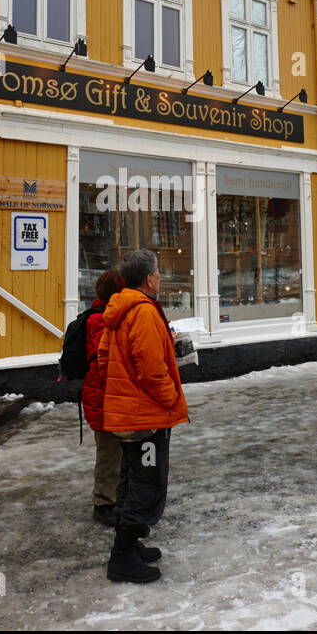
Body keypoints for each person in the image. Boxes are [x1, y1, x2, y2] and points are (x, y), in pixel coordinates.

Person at [97, 249, 189, 584]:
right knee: (145, 485)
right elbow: (151, 372)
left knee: (133, 479)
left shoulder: (119, 310)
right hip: (146, 418)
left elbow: (105, 361)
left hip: (129, 414)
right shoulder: (145, 313)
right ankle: (121, 557)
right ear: (149, 278)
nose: (161, 277)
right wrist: (170, 399)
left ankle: (130, 545)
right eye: (159, 273)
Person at [83, 269, 124, 526]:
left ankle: (113, 498)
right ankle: (103, 504)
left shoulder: (104, 316)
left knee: (115, 451)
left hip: (107, 396)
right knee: (109, 453)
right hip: (103, 397)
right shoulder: (100, 320)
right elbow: (105, 361)